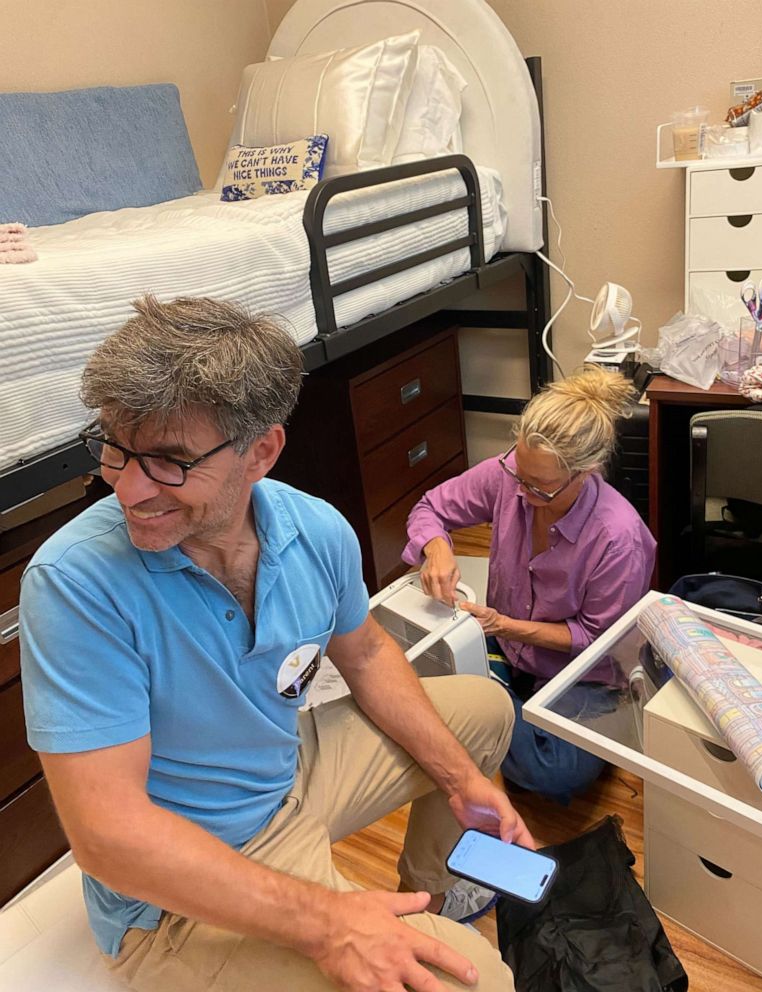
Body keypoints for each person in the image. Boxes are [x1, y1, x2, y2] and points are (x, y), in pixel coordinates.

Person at [19, 296, 531, 992]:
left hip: (283, 774)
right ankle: (383, 927)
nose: (129, 488)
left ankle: (429, 898)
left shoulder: (314, 529)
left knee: (485, 707)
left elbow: (371, 654)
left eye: (168, 461)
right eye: (114, 445)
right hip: (173, 897)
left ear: (261, 451)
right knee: (484, 980)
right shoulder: (75, 583)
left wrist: (461, 781)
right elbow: (108, 836)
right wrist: (331, 923)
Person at [403, 367, 656, 804]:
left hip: (580, 672)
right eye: (518, 473)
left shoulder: (619, 539)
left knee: (556, 772)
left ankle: (485, 711)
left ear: (587, 472)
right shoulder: (509, 475)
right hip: (505, 644)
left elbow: (594, 640)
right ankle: (491, 706)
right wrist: (437, 548)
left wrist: (504, 626)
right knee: (413, 669)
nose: (522, 492)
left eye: (540, 487)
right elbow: (430, 508)